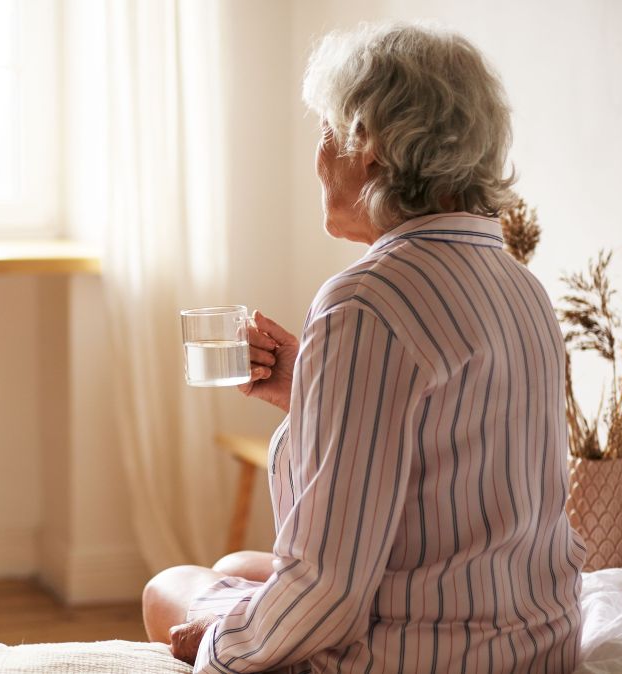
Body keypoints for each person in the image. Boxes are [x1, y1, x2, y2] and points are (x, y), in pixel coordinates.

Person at [143, 20, 585, 674]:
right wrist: (310, 389)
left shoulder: (366, 302)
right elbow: (452, 447)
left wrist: (213, 640)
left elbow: (327, 587)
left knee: (168, 590)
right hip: (536, 644)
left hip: (427, 657)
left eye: (325, 134)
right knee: (237, 566)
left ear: (367, 145)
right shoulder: (521, 286)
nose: (318, 158)